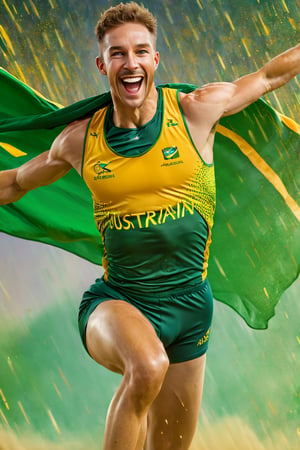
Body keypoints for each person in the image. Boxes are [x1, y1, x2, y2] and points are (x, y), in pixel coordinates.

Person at [0, 2, 299, 449]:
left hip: (191, 311)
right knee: (147, 365)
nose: (130, 62)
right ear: (102, 65)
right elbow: (15, 184)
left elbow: (269, 76)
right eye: (117, 53)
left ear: (155, 60)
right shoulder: (80, 141)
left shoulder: (197, 112)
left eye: (141, 51)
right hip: (117, 303)